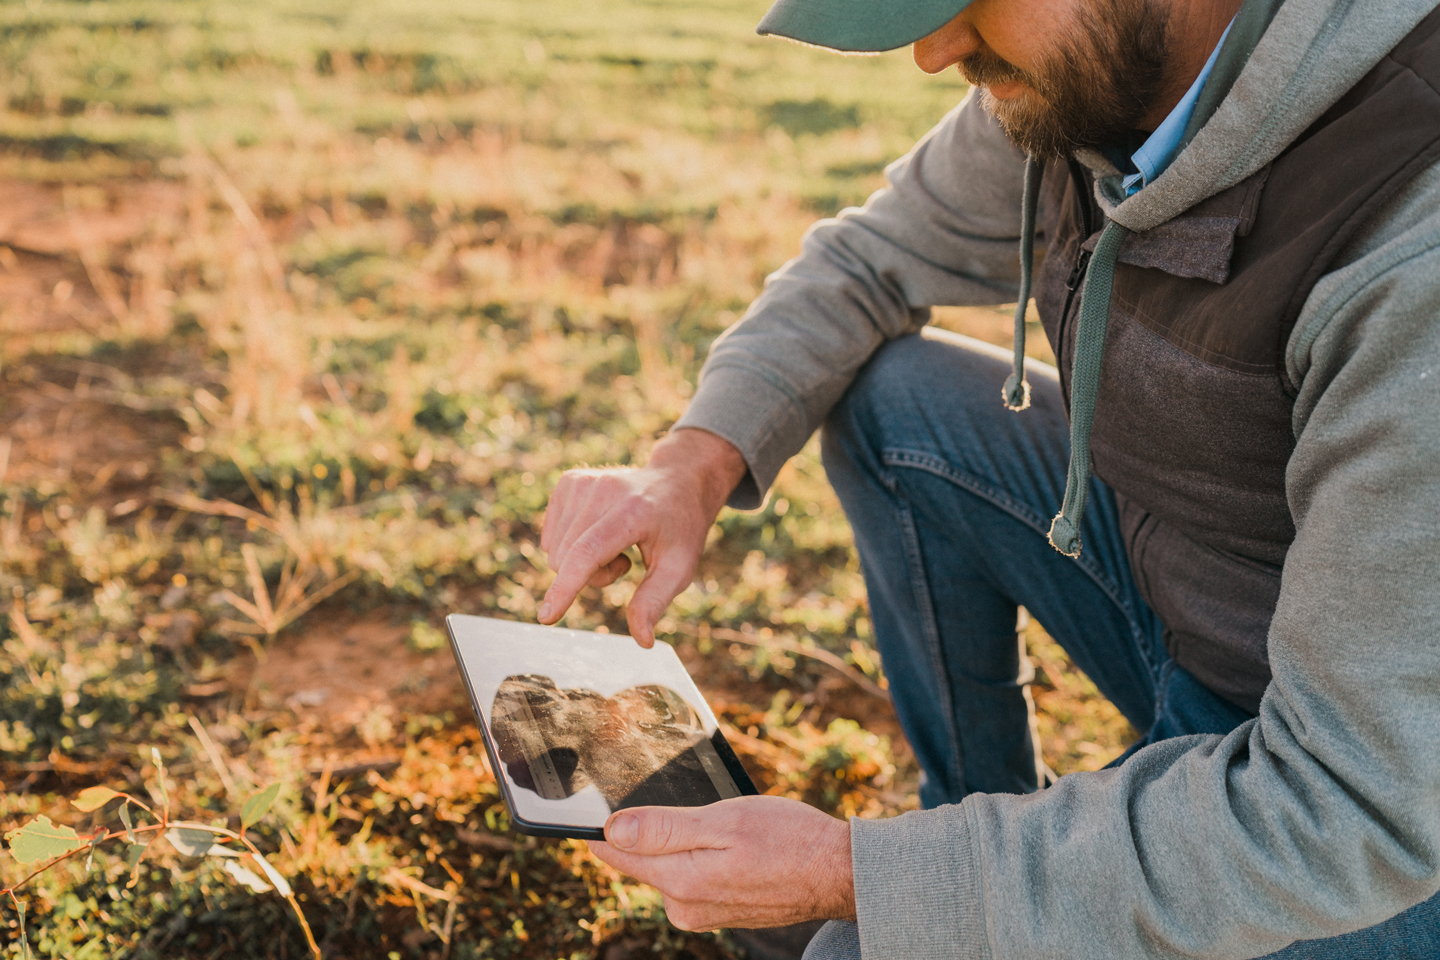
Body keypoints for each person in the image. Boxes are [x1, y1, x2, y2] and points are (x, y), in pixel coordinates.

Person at [536, 0, 1440, 956]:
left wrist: (855, 877)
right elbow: (868, 257)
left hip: (1361, 820)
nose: (934, 51)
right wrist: (690, 463)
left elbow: (1353, 805)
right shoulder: (1097, 71)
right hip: (1200, 610)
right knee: (900, 403)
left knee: (864, 941)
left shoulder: (1408, 251)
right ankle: (971, 824)